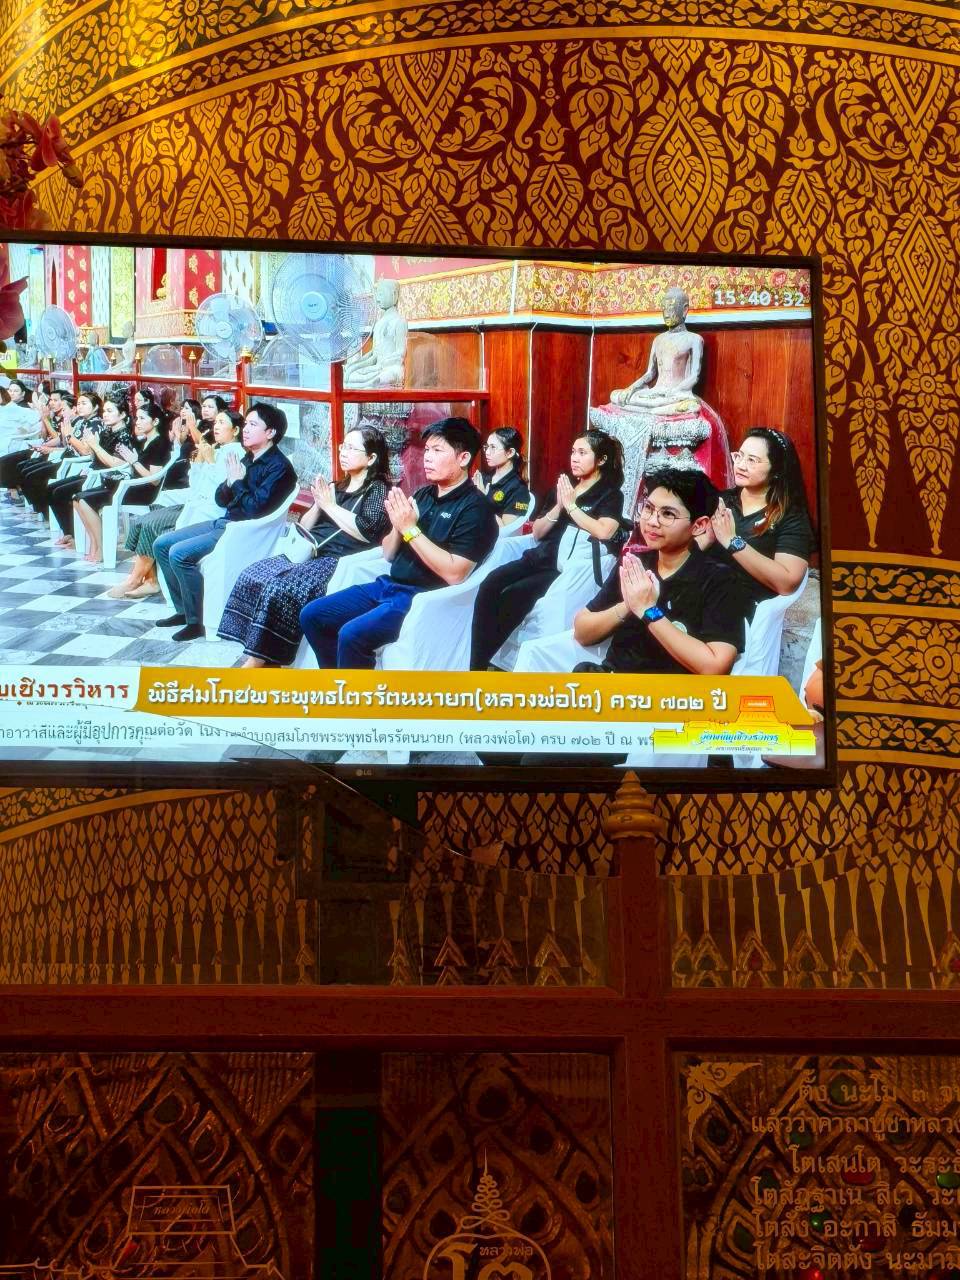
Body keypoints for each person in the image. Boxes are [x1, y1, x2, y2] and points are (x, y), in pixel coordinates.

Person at [300, 417, 498, 668]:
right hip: (390, 586)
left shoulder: (476, 510)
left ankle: (357, 703)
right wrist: (396, 524)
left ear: (463, 458)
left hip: (423, 599)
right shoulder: (423, 494)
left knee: (352, 635)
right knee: (313, 615)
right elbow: (389, 554)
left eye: (437, 451)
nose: (427, 457)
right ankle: (341, 687)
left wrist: (410, 529)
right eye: (427, 450)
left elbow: (455, 574)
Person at [218, 427, 393, 667]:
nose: (343, 452)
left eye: (352, 448)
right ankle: (255, 650)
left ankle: (258, 662)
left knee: (279, 588)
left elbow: (367, 531)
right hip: (309, 550)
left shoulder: (378, 490)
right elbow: (305, 526)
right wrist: (319, 504)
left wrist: (330, 506)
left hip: (337, 559)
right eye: (343, 446)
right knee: (252, 575)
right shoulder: (336, 487)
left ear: (371, 458)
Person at [470, 429, 624, 671]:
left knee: (513, 595)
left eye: (582, 453)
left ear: (601, 460)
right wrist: (559, 506)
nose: (574, 458)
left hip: (565, 567)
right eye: (573, 452)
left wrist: (573, 508)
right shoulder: (564, 488)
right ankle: (477, 664)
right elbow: (539, 532)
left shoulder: (610, 495)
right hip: (540, 555)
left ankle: (492, 667)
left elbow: (605, 531)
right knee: (490, 583)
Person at [572, 466, 750, 676]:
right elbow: (582, 631)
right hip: (614, 685)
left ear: (699, 525)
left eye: (667, 514)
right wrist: (628, 605)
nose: (652, 522)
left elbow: (715, 666)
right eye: (648, 509)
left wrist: (649, 610)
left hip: (672, 697)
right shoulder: (635, 564)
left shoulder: (720, 579)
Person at [154, 402, 297, 641]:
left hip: (243, 531)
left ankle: (195, 621)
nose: (246, 429)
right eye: (246, 424)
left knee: (179, 554)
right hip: (225, 521)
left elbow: (254, 510)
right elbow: (220, 499)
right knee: (161, 544)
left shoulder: (279, 467)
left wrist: (238, 483)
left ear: (270, 433)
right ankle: (183, 610)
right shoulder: (249, 458)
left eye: (253, 424)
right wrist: (231, 482)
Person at [107, 409, 245, 599]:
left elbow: (220, 493)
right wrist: (199, 462)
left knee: (150, 523)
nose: (217, 427)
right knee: (145, 519)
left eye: (222, 423)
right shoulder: (217, 450)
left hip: (207, 512)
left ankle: (137, 579)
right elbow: (197, 485)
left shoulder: (236, 454)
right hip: (195, 502)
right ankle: (148, 578)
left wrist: (210, 462)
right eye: (217, 423)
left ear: (236, 430)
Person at [697, 427, 814, 614]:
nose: (741, 465)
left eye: (752, 460)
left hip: (743, 607)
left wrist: (732, 541)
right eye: (739, 456)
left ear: (776, 470)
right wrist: (703, 542)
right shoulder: (720, 501)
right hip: (704, 593)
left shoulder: (791, 516)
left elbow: (787, 583)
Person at [73, 403, 172, 564]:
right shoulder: (143, 440)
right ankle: (95, 545)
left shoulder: (160, 444)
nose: (137, 422)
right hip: (130, 485)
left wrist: (134, 462)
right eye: (136, 418)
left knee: (85, 501)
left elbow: (154, 480)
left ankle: (102, 549)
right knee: (78, 498)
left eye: (142, 418)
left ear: (155, 422)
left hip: (143, 491)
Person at [46, 392, 105, 545]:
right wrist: (67, 435)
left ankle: (74, 533)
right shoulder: (81, 422)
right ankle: (69, 531)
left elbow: (86, 451)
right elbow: (68, 443)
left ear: (96, 407)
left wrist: (69, 436)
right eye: (79, 403)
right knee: (51, 488)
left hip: (90, 469)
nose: (80, 406)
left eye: (84, 403)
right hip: (78, 464)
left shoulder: (96, 423)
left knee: (60, 492)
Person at [473, 427, 530, 527]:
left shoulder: (518, 489)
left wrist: (483, 499)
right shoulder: (483, 477)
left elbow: (505, 529)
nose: (487, 452)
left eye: (493, 447)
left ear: (510, 453)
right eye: (487, 446)